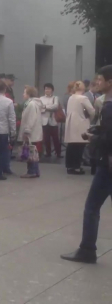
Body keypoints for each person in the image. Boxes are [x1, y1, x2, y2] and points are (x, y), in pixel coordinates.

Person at [61, 65, 112, 264]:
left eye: (100, 79)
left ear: (110, 82)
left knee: (91, 207)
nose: (97, 82)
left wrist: (93, 137)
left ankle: (87, 249)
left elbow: (109, 139)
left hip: (107, 164)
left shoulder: (109, 106)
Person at [64, 81, 95, 175]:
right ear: (83, 88)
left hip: (70, 123)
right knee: (80, 146)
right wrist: (90, 119)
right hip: (80, 123)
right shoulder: (83, 98)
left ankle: (69, 166)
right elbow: (92, 111)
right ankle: (76, 166)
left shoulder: (71, 98)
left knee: (71, 146)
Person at [19, 86, 44, 178]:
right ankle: (35, 170)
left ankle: (31, 171)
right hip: (34, 131)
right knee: (33, 151)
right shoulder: (34, 103)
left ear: (29, 94)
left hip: (31, 132)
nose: (23, 94)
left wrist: (27, 130)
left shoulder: (31, 104)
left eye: (25, 93)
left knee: (30, 151)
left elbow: (31, 118)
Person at [40, 83, 62, 158]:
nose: (47, 90)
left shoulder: (55, 97)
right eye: (46, 89)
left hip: (53, 120)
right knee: (46, 138)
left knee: (55, 138)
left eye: (49, 89)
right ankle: (48, 152)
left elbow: (55, 106)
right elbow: (40, 108)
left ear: (52, 90)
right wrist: (48, 107)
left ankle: (58, 153)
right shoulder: (41, 98)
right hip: (44, 120)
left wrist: (45, 107)